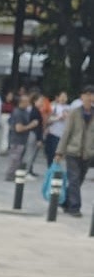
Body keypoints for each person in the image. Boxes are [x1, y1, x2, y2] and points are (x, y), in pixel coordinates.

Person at [54, 85, 94, 218]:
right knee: (74, 179)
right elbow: (66, 133)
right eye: (86, 94)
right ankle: (75, 207)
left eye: (91, 94)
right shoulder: (75, 112)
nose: (89, 97)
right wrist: (59, 152)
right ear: (81, 97)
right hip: (73, 151)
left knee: (78, 180)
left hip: (87, 153)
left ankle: (65, 202)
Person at [4, 94, 37, 181]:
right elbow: (18, 128)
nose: (28, 104)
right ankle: (10, 175)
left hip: (23, 140)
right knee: (15, 159)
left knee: (20, 159)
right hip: (17, 140)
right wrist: (31, 125)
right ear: (21, 102)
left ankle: (16, 175)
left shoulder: (25, 112)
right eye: (27, 102)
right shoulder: (18, 112)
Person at [44, 91, 69, 167]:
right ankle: (51, 168)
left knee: (60, 154)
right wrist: (58, 118)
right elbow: (47, 120)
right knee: (51, 153)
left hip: (63, 135)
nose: (63, 99)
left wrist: (67, 117)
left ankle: (56, 168)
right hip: (53, 133)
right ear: (57, 98)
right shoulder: (53, 107)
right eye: (61, 97)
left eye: (65, 97)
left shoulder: (69, 108)